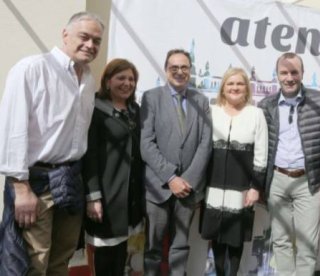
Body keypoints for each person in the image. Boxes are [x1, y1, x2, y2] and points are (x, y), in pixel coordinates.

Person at [0, 12, 104, 276]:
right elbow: (12, 129)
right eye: (84, 37)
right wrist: (20, 187)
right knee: (32, 262)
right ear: (65, 34)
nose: (90, 45)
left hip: (71, 179)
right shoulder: (33, 69)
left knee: (62, 259)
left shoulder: (89, 81)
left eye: (96, 41)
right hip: (36, 183)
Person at [258, 52, 320, 276]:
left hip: (309, 181)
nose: (289, 77)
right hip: (276, 180)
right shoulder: (266, 105)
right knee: (280, 240)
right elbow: (259, 146)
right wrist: (258, 184)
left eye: (294, 72)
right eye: (284, 72)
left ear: (302, 73)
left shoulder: (319, 100)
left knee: (307, 243)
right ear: (277, 75)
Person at [140, 49, 212, 275]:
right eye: (174, 67)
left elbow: (205, 143)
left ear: (190, 71)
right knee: (153, 246)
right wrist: (171, 177)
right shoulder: (151, 98)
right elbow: (146, 143)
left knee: (180, 245)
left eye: (184, 68)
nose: (179, 72)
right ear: (166, 69)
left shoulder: (201, 100)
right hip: (158, 188)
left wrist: (187, 180)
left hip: (189, 189)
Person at [200, 68, 268, 276]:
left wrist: (256, 187)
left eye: (239, 84)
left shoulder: (256, 114)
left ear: (246, 88)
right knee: (217, 237)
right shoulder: (211, 111)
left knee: (235, 238)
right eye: (230, 84)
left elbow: (261, 154)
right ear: (223, 88)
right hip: (213, 185)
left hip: (242, 187)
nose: (235, 88)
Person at [82, 59, 145, 275]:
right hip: (106, 196)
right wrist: (93, 196)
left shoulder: (136, 110)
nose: (127, 83)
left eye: (131, 79)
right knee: (105, 256)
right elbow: (89, 156)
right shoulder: (95, 110)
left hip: (129, 197)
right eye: (121, 78)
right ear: (108, 82)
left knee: (120, 254)